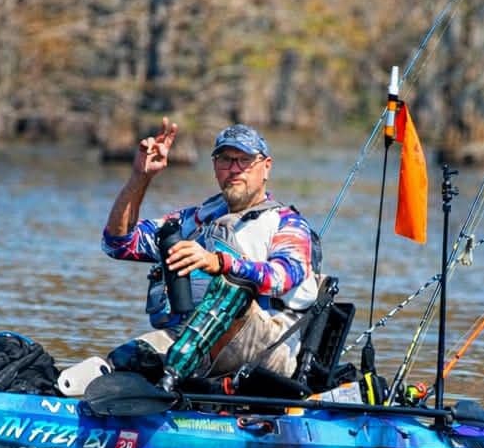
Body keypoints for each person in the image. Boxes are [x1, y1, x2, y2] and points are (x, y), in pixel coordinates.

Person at [102, 118, 320, 382]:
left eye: (245, 160)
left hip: (265, 351)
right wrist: (140, 178)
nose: (235, 169)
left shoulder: (287, 223)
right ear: (215, 167)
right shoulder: (196, 220)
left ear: (266, 167)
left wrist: (219, 263)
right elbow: (119, 243)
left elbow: (283, 275)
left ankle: (171, 379)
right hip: (188, 340)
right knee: (123, 360)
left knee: (232, 287)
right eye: (226, 159)